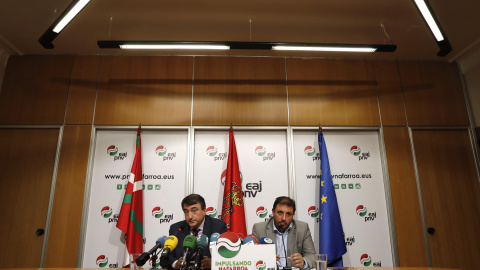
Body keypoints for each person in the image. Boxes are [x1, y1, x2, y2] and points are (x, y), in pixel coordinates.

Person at [252, 196, 316, 269]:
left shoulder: (302, 228)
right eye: (280, 213)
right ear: (273, 212)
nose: (284, 218)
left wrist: (303, 262)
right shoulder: (259, 229)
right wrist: (265, 258)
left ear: (293, 215)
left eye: (288, 214)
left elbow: (312, 256)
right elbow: (252, 257)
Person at [168, 194, 228, 269]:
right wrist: (175, 263)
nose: (190, 216)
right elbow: (165, 258)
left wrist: (214, 263)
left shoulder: (218, 227)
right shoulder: (176, 228)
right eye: (186, 212)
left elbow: (228, 257)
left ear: (204, 210)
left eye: (194, 211)